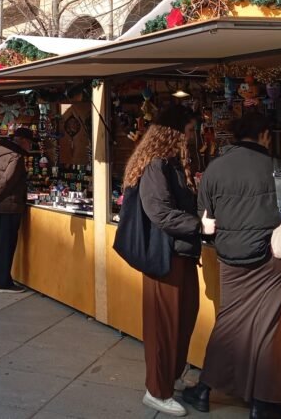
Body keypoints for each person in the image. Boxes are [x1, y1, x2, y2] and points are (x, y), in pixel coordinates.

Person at [185, 113, 281, 419]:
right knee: (268, 329)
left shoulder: (214, 170)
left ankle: (203, 390)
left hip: (229, 259)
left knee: (228, 325)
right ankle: (262, 404)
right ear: (264, 135)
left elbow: (204, 216)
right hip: (271, 261)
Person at [120, 106, 203, 417]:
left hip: (179, 253)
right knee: (163, 327)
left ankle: (171, 376)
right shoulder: (157, 166)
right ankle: (157, 390)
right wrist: (198, 225)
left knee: (183, 318)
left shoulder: (169, 164)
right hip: (164, 255)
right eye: (190, 131)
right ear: (175, 133)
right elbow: (160, 213)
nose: (192, 137)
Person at [0, 126, 33, 294]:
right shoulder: (16, 157)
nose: (30, 147)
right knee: (6, 245)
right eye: (30, 143)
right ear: (23, 141)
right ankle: (4, 282)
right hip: (10, 206)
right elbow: (6, 183)